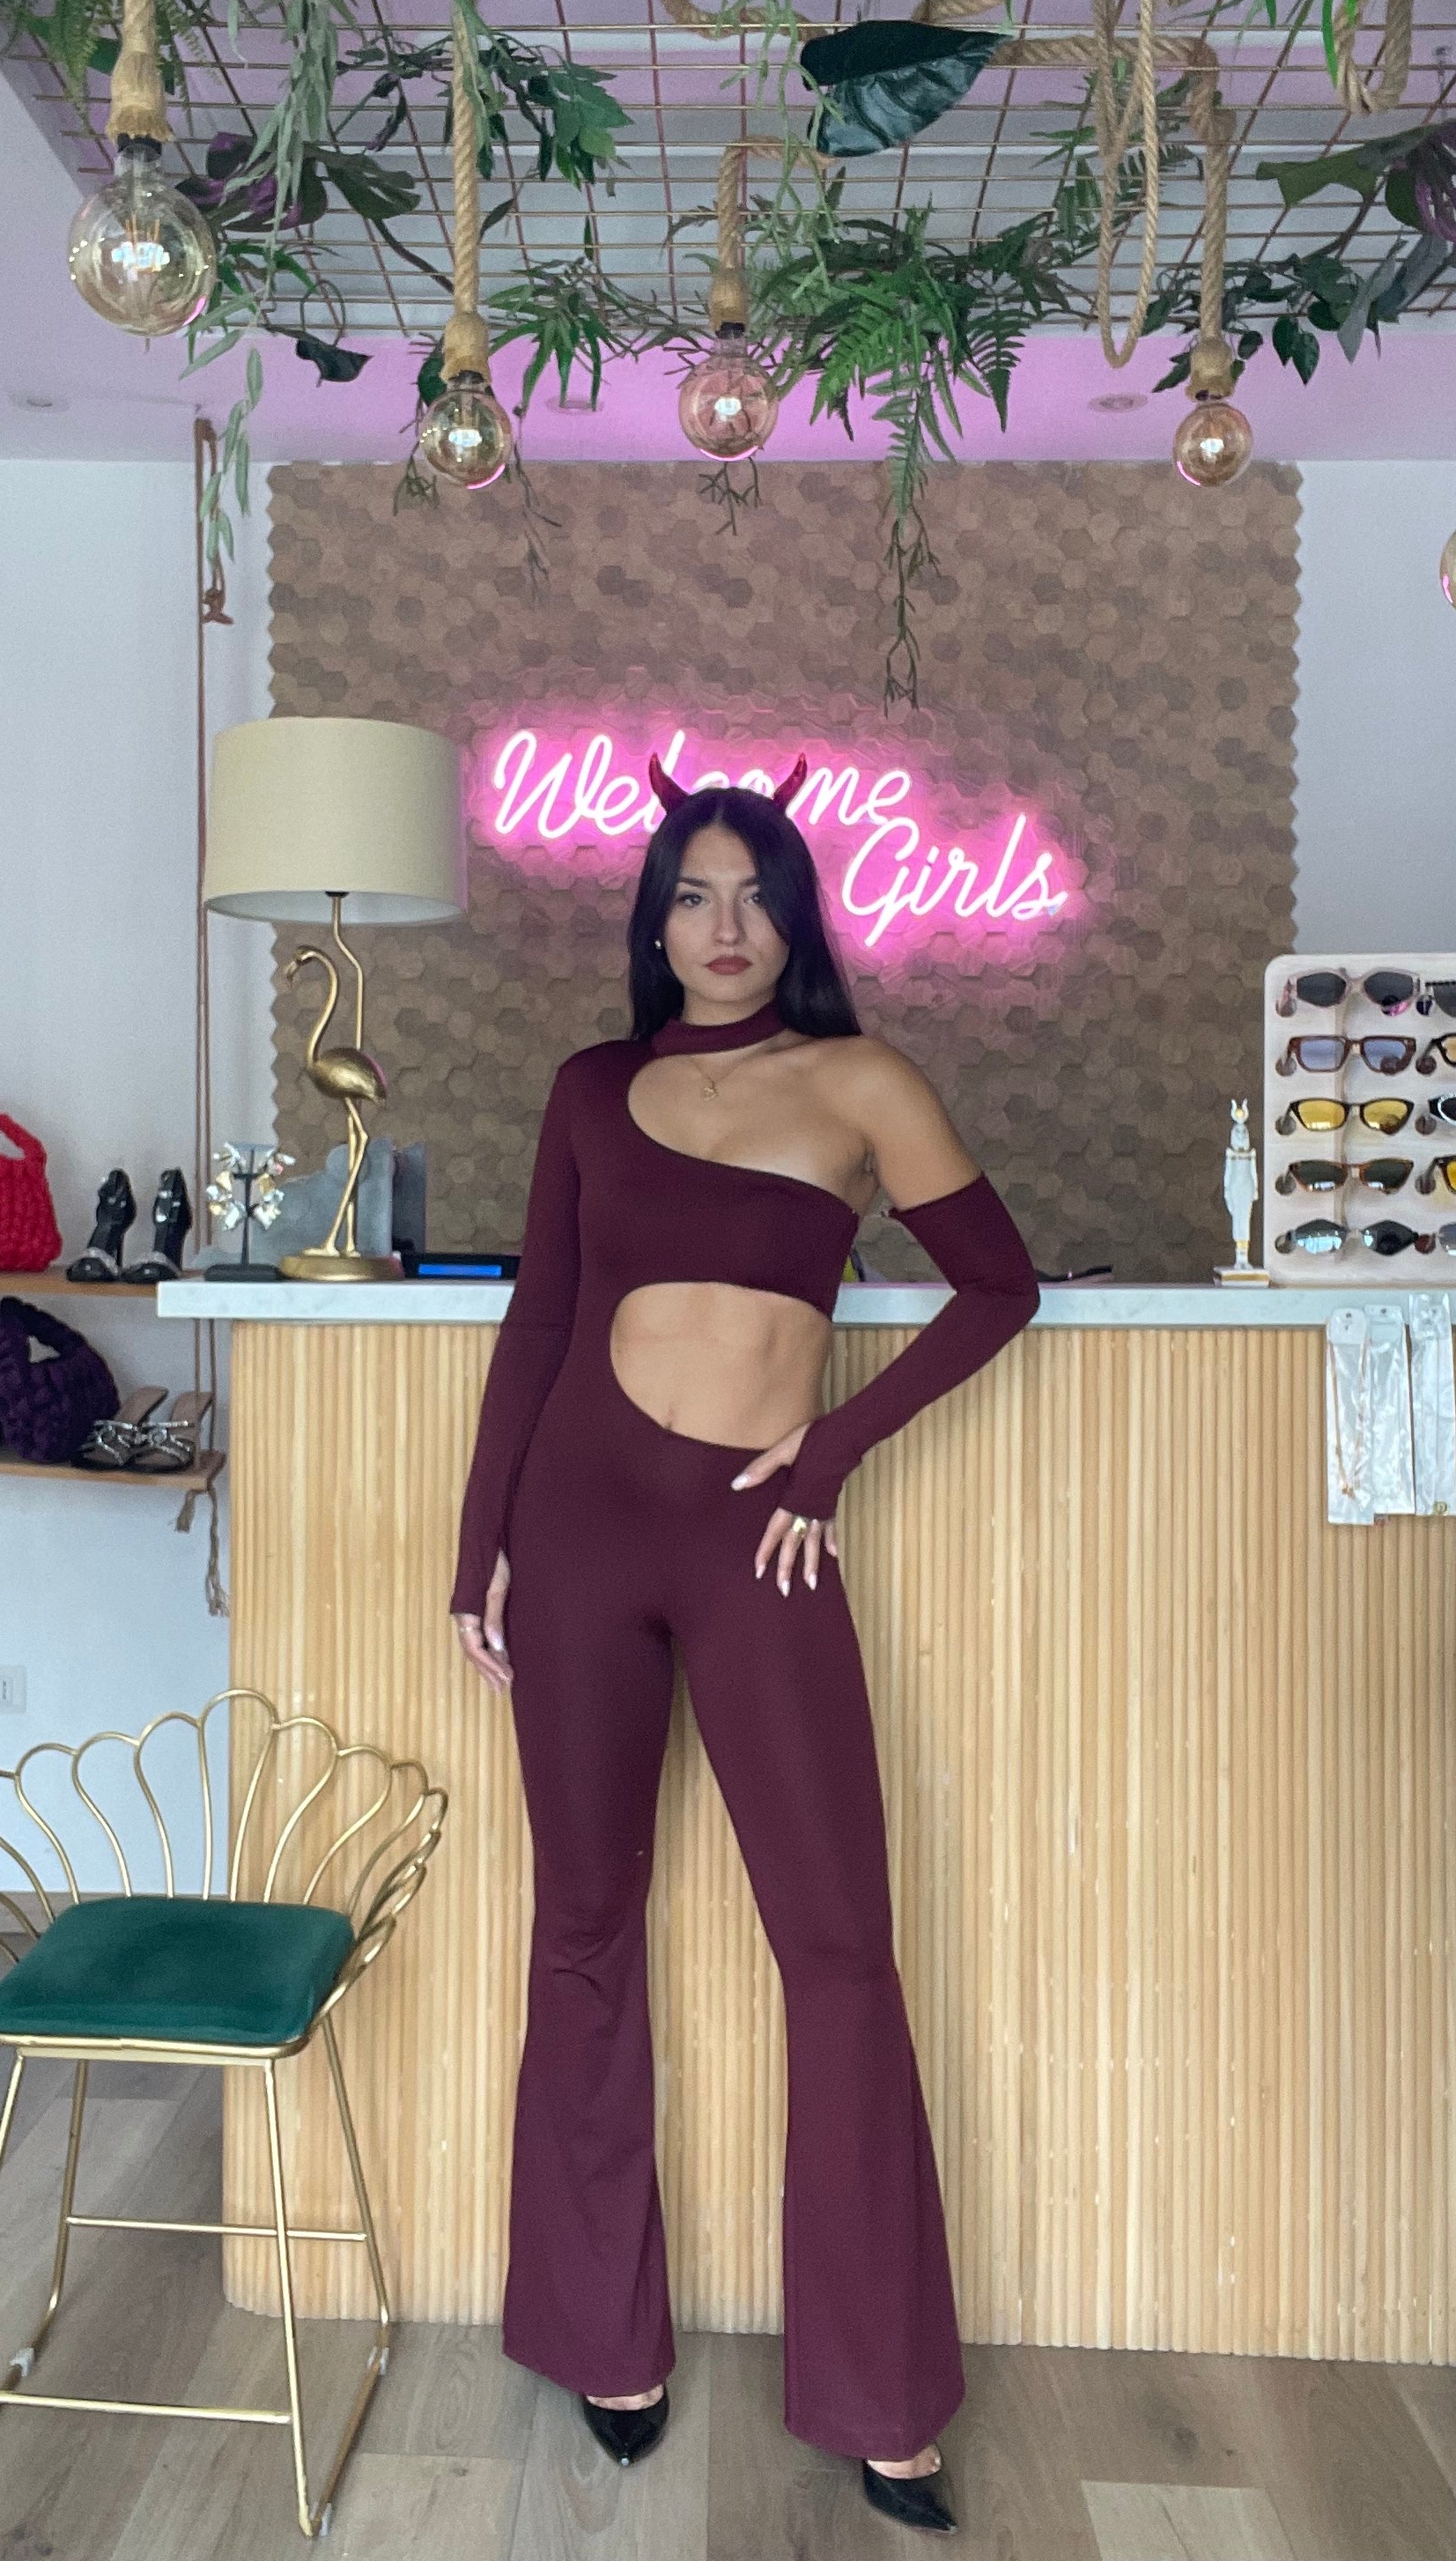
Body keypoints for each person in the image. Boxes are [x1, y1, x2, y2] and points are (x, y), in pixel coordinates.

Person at [449, 752, 1040, 2536]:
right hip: (577, 1532)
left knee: (839, 1943)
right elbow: (540, 1318)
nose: (725, 927)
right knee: (584, 1925)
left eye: (756, 895)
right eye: (693, 896)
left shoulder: (861, 1081)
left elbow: (999, 1286)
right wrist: (477, 1548)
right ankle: (601, 2337)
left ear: (797, 916)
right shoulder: (590, 1086)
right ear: (656, 921)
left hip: (755, 1540)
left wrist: (836, 1451)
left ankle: (882, 2392)